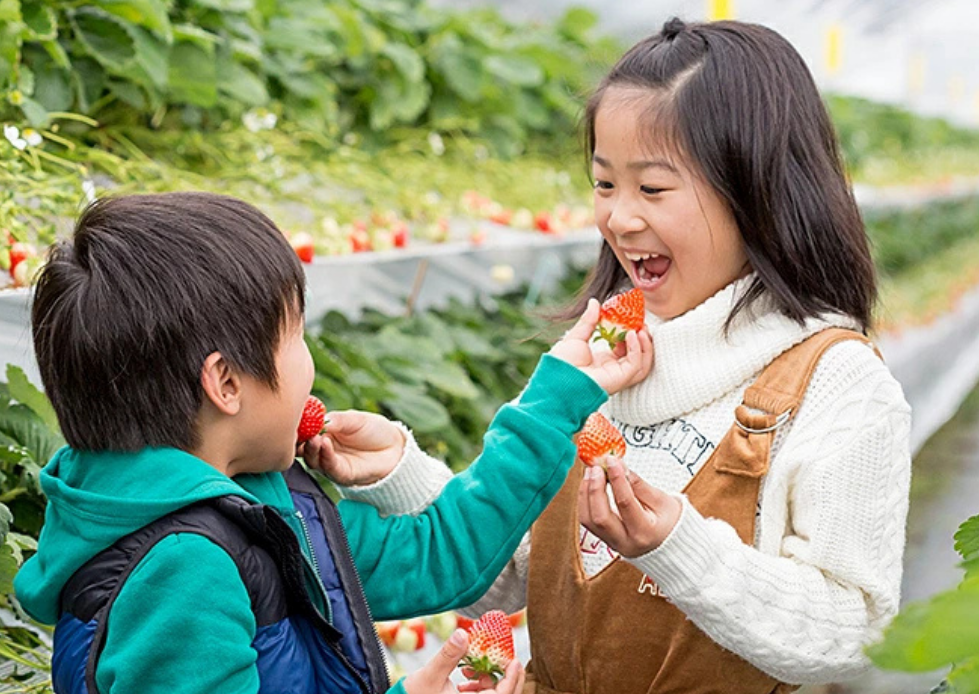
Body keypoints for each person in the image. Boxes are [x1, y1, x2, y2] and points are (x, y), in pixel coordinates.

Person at [302, 18, 912, 694]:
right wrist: (401, 475)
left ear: (758, 192)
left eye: (652, 189)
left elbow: (850, 633)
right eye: (604, 185)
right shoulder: (602, 361)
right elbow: (517, 580)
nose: (619, 219)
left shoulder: (836, 383)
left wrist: (675, 546)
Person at [12, 192, 654, 694]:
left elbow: (444, 556)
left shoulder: (257, 496)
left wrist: (558, 395)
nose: (307, 362)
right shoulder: (184, 571)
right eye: (295, 334)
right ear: (226, 383)